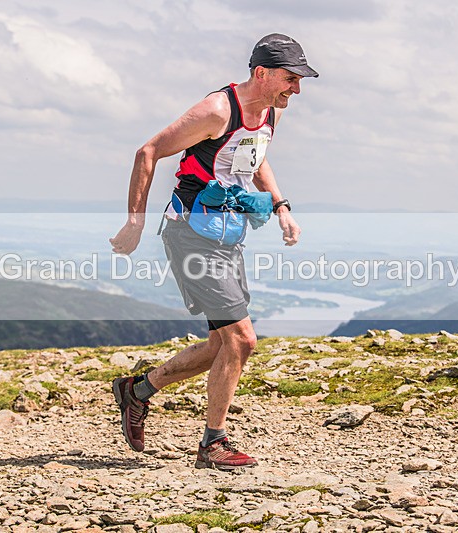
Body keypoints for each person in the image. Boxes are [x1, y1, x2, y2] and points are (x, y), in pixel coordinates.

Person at [109, 33, 317, 470]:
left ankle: (137, 390)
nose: (295, 89)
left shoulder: (268, 113)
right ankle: (213, 444)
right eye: (290, 78)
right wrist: (135, 220)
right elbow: (147, 151)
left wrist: (281, 206)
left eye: (299, 80)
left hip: (226, 233)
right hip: (190, 233)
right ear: (261, 73)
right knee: (242, 339)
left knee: (221, 346)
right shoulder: (217, 110)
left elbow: (254, 158)